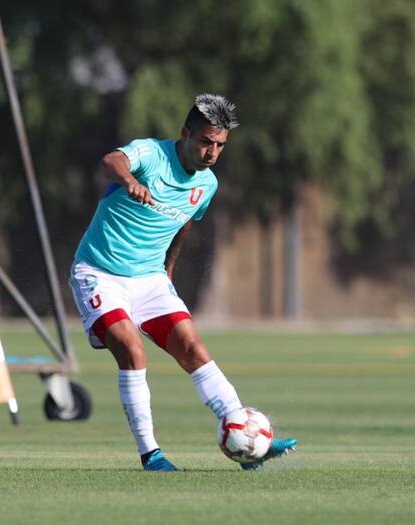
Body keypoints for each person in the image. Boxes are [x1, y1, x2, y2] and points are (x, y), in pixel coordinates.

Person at [69, 94, 297, 471]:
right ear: (186, 134)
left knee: (192, 346)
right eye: (206, 141)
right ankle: (151, 455)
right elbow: (110, 161)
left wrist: (168, 267)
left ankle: (244, 434)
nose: (211, 152)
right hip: (100, 273)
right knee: (132, 349)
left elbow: (185, 221)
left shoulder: (207, 185)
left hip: (150, 279)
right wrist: (128, 180)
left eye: (220, 145)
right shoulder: (150, 154)